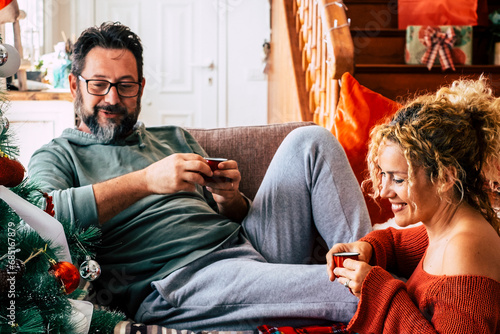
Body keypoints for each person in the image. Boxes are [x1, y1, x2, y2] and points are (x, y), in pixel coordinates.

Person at [27, 22, 373, 331]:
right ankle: (381, 284)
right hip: (179, 280)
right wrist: (146, 180)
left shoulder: (172, 138)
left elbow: (228, 214)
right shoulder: (59, 154)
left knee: (310, 140)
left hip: (246, 245)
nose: (113, 98)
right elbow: (39, 217)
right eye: (99, 85)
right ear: (75, 84)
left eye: (125, 85)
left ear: (141, 88)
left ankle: (371, 253)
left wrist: (229, 198)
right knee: (367, 292)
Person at [327, 77, 500, 333]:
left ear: (445, 177)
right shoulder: (446, 225)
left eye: (398, 179)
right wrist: (366, 247)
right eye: (384, 176)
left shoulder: (465, 248)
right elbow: (397, 245)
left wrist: (376, 289)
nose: (384, 191)